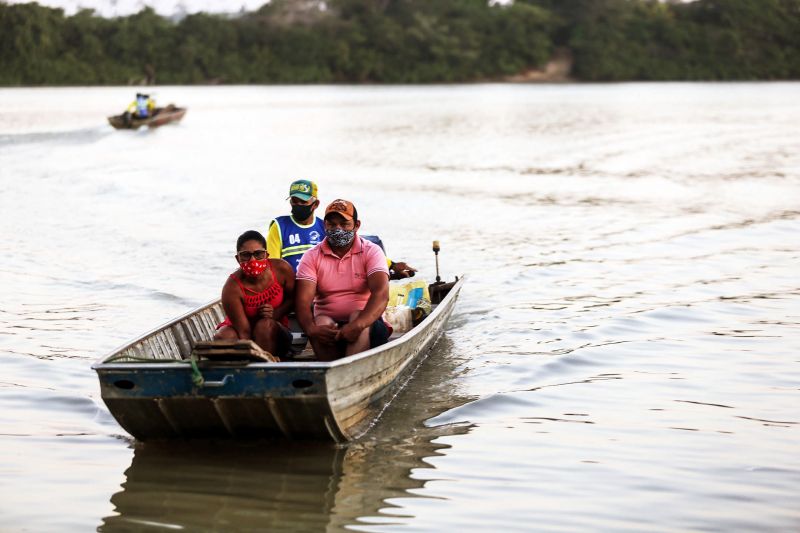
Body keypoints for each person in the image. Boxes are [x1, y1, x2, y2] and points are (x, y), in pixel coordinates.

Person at [295, 199, 391, 361]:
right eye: (332, 224)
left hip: (367, 325)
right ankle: (331, 372)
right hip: (328, 328)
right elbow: (302, 301)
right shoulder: (311, 256)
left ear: (356, 225)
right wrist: (311, 328)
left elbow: (381, 294)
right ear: (324, 225)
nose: (338, 229)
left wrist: (358, 325)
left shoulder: (371, 251)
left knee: (356, 316)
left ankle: (352, 372)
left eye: (344, 224)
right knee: (321, 322)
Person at [268, 179, 417, 279]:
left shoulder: (326, 226)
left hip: (322, 284)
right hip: (292, 287)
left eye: (303, 201)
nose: (298, 205)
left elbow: (355, 249)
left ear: (315, 204)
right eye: (295, 201)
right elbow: (272, 265)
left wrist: (392, 264)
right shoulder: (279, 226)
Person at [214, 230, 295, 359]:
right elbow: (244, 332)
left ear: (267, 255)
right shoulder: (232, 288)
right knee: (224, 336)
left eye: (258, 254)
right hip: (243, 333)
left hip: (274, 330)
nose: (252, 260)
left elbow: (294, 299)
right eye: (246, 255)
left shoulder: (282, 269)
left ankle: (266, 368)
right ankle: (244, 368)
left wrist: (275, 313)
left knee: (264, 326)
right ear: (237, 258)